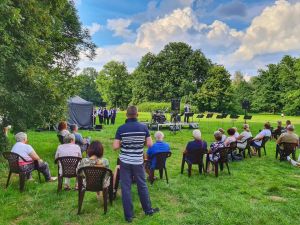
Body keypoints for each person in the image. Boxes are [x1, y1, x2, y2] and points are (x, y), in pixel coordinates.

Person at [113, 106, 159, 223]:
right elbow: (149, 144)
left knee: (126, 188)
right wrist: (139, 142)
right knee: (142, 185)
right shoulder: (143, 127)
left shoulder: (121, 128)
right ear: (137, 115)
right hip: (138, 161)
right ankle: (148, 210)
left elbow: (115, 146)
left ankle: (128, 216)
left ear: (126, 115)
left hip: (124, 161)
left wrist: (124, 142)